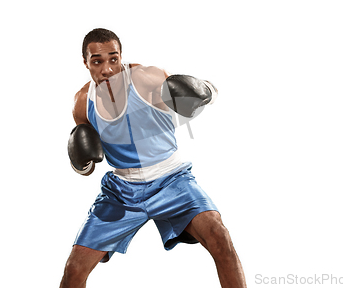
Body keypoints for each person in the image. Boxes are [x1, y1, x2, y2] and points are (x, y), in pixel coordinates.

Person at [60, 28, 247, 288]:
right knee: (74, 269)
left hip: (171, 179)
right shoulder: (82, 102)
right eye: (97, 61)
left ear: (121, 57)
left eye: (113, 59)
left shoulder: (144, 78)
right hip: (122, 191)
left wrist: (204, 89)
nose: (107, 69)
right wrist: (81, 163)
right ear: (85, 63)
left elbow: (203, 92)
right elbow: (86, 164)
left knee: (219, 236)